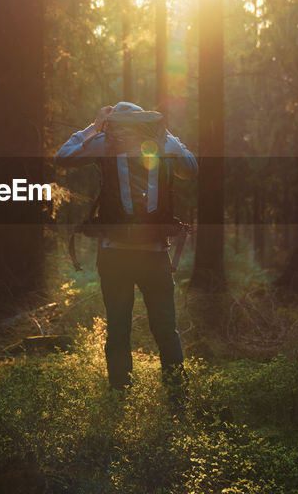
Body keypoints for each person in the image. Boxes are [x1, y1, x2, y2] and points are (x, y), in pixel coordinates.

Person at [55, 102, 198, 405]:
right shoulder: (162, 141)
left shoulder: (106, 142)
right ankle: (178, 398)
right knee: (165, 329)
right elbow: (191, 169)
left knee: (118, 328)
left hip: (114, 254)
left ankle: (120, 398)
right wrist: (162, 131)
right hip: (154, 254)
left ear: (115, 121)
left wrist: (95, 125)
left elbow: (63, 157)